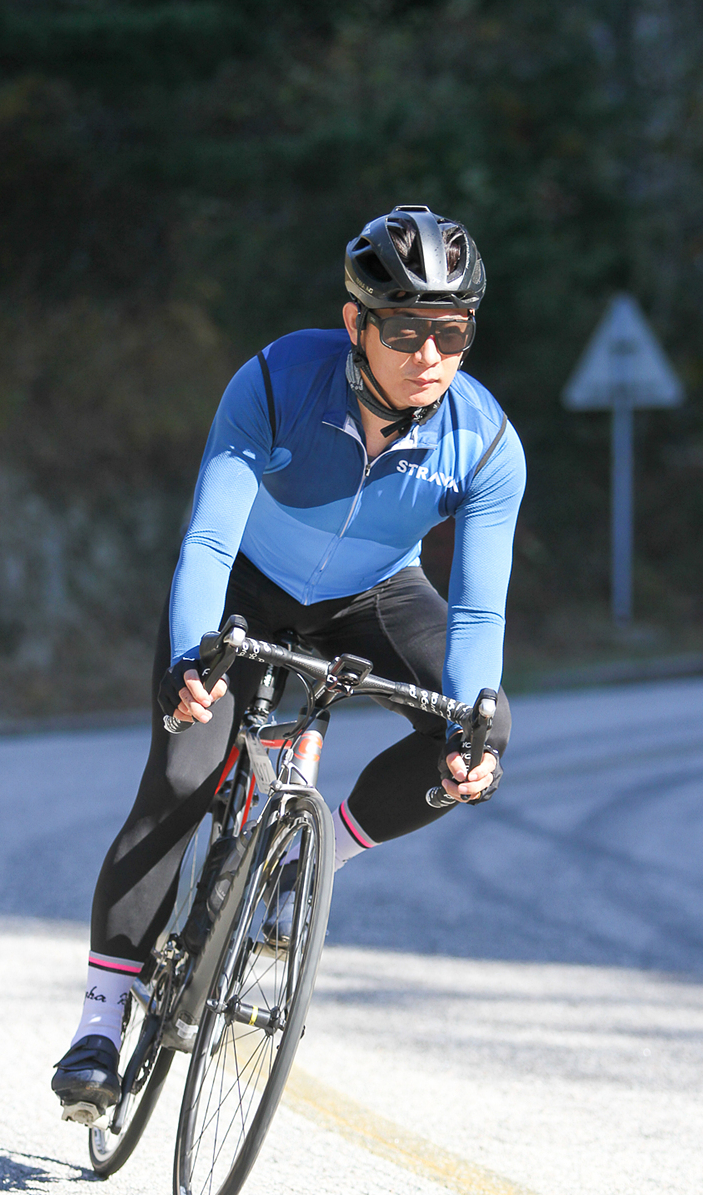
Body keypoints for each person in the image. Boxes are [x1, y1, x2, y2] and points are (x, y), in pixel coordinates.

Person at [52, 204, 526, 1122]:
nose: (430, 354)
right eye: (405, 330)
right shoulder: (277, 380)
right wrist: (191, 660)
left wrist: (471, 726)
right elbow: (207, 539)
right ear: (357, 323)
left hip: (374, 598)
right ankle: (101, 1022)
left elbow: (477, 609)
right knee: (183, 776)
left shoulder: (487, 442)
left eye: (453, 331)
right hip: (245, 586)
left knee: (482, 732)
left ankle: (317, 858)